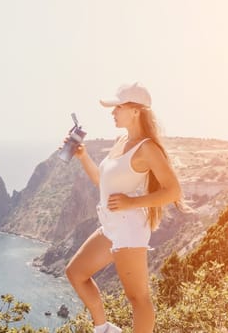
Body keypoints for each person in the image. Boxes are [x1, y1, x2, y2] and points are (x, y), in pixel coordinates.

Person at [64, 83, 190, 333]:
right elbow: (103, 182)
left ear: (136, 111)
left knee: (138, 298)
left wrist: (132, 202)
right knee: (76, 273)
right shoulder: (122, 140)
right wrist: (82, 156)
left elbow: (173, 191)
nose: (112, 112)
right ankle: (104, 329)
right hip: (111, 224)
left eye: (117, 107)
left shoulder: (147, 148)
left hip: (129, 226)